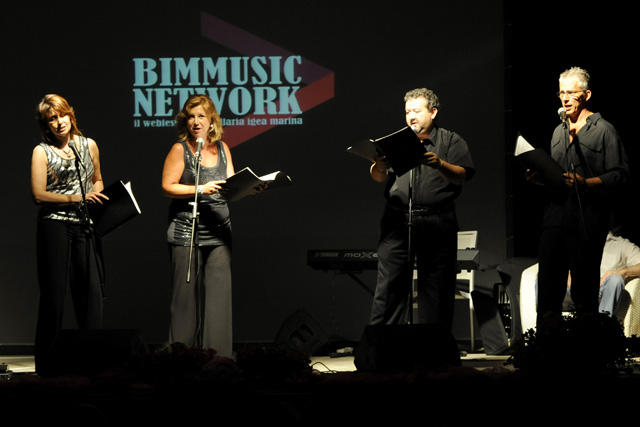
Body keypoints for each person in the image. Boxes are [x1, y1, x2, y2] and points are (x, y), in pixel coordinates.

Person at [368, 88, 475, 330]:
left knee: (436, 289)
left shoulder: (450, 140)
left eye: (416, 111)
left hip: (437, 221)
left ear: (433, 112)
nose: (411, 117)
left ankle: (433, 347)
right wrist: (378, 166)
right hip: (397, 220)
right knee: (389, 287)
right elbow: (378, 176)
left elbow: (462, 175)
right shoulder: (398, 141)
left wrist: (440, 164)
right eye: (407, 112)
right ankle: (381, 345)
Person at [536, 67, 629, 331]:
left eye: (571, 93)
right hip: (555, 217)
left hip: (588, 220)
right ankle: (545, 345)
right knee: (548, 287)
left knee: (584, 290)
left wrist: (586, 183)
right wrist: (539, 175)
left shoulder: (604, 130)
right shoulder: (558, 131)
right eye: (561, 93)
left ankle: (586, 347)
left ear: (586, 95)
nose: (565, 98)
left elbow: (620, 174)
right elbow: (557, 176)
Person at [30, 94, 108, 375]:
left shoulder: (88, 145)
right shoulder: (42, 151)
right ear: (46, 125)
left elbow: (97, 178)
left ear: (71, 115)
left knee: (90, 294)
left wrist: (97, 194)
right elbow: (39, 194)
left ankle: (91, 362)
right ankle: (46, 365)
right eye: (52, 119)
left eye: (62, 115)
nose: (59, 122)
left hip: (84, 225)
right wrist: (77, 198)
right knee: (54, 296)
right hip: (55, 225)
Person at [161, 94, 235, 357]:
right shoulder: (180, 149)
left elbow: (231, 186)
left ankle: (219, 358)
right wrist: (200, 188)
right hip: (187, 231)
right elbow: (167, 187)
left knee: (219, 300)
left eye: (201, 116)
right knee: (184, 301)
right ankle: (181, 358)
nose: (195, 121)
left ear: (211, 120)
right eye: (191, 116)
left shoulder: (223, 149)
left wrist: (251, 189)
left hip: (219, 231)